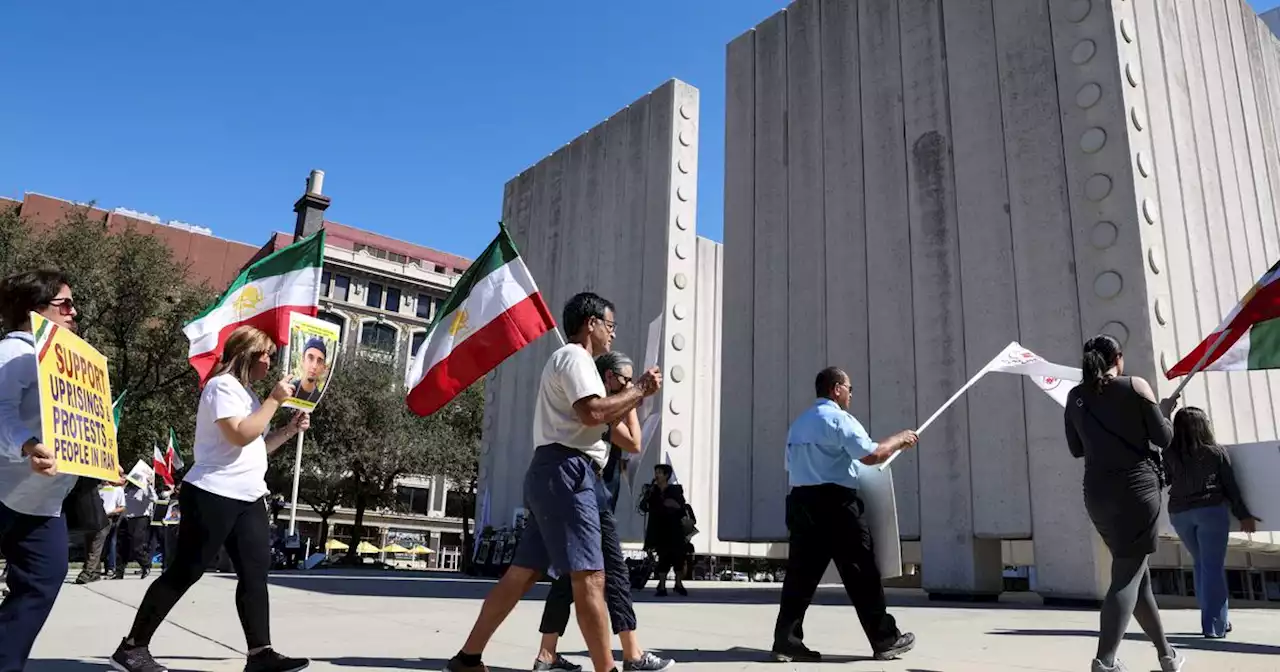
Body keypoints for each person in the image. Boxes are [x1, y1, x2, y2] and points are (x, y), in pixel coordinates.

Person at [446, 292, 662, 672]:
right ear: (591, 323)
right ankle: (606, 668)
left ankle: (468, 657)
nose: (613, 335)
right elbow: (593, 412)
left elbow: (619, 432)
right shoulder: (575, 357)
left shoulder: (579, 365)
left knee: (521, 575)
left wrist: (628, 395)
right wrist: (640, 389)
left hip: (558, 473)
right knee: (591, 577)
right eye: (610, 326)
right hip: (568, 473)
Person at [111, 325, 311, 672]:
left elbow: (255, 447)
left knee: (254, 573)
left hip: (249, 495)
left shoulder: (248, 395)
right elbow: (237, 435)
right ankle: (132, 647)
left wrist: (288, 430)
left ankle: (260, 652)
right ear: (246, 354)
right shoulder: (221, 387)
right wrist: (274, 401)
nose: (270, 363)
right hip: (212, 493)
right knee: (187, 570)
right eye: (265, 355)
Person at [534, 352, 673, 672]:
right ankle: (633, 655)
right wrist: (636, 395)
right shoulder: (598, 413)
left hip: (591, 502)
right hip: (592, 504)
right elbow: (635, 441)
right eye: (624, 378)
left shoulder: (605, 410)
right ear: (609, 378)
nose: (629, 382)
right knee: (616, 576)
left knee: (569, 579)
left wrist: (631, 394)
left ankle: (546, 655)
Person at [771, 367, 917, 663]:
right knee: (862, 572)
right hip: (836, 505)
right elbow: (871, 455)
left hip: (801, 503)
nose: (851, 394)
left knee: (800, 576)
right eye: (850, 388)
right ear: (836, 388)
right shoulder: (838, 419)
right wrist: (900, 439)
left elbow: (791, 466)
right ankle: (885, 639)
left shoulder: (798, 424)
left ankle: (786, 642)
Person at [1064, 335, 1185, 672]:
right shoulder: (1135, 386)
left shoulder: (1075, 397)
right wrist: (1162, 414)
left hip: (1098, 494)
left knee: (1135, 575)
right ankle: (1105, 661)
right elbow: (1163, 438)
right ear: (1118, 357)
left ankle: (1167, 655)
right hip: (1136, 492)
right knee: (1126, 577)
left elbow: (1076, 448)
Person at [0, 269, 81, 671]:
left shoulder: (61, 360)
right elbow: (0, 413)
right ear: (33, 310)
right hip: (5, 489)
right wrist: (28, 445)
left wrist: (101, 461)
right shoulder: (15, 353)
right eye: (63, 304)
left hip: (41, 501)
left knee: (43, 579)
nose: (74, 311)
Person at [1165, 406, 1260, 639]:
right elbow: (1230, 486)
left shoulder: (1169, 453)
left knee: (1201, 565)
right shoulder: (1215, 452)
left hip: (1179, 513)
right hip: (1210, 511)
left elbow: (1165, 479)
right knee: (1212, 568)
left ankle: (1215, 618)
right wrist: (1243, 515)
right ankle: (1215, 625)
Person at [639, 465, 691, 597]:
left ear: (666, 475)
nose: (656, 475)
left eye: (659, 473)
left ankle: (678, 584)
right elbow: (643, 507)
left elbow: (682, 507)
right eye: (655, 472)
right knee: (663, 557)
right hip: (659, 528)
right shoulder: (653, 490)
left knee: (678, 557)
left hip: (674, 528)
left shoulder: (674, 490)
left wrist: (674, 505)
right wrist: (647, 494)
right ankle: (662, 587)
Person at [78, 480, 127, 584]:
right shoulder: (97, 488)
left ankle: (87, 572)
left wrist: (111, 511)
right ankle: (95, 572)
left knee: (96, 545)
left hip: (106, 519)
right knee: (88, 544)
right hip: (92, 518)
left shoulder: (117, 489)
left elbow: (122, 507)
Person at [116, 476, 157, 579]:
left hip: (140, 519)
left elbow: (154, 499)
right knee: (122, 547)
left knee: (136, 546)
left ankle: (145, 564)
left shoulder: (144, 490)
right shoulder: (127, 490)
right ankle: (119, 572)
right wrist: (123, 484)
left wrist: (149, 486)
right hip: (126, 519)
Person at [287, 338, 328, 404]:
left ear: (323, 367)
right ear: (303, 360)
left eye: (319, 361)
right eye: (310, 358)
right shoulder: (289, 390)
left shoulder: (320, 399)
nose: (314, 366)